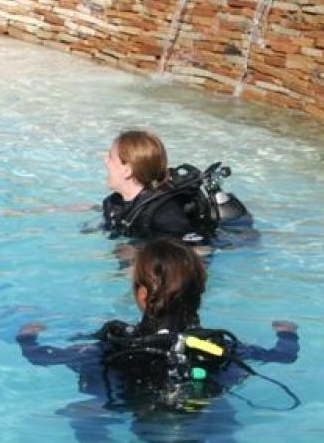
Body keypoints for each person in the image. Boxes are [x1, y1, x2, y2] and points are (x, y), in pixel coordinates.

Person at [16, 237, 298, 441]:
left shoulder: (116, 344)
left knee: (82, 412)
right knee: (221, 414)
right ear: (199, 293)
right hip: (197, 411)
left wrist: (27, 339)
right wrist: (287, 333)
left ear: (141, 295)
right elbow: (283, 356)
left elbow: (42, 358)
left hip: (136, 407)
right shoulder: (214, 345)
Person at [100, 130, 251, 245]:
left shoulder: (165, 216)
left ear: (127, 171)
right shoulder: (113, 202)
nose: (105, 160)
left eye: (111, 157)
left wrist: (138, 254)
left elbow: (197, 251)